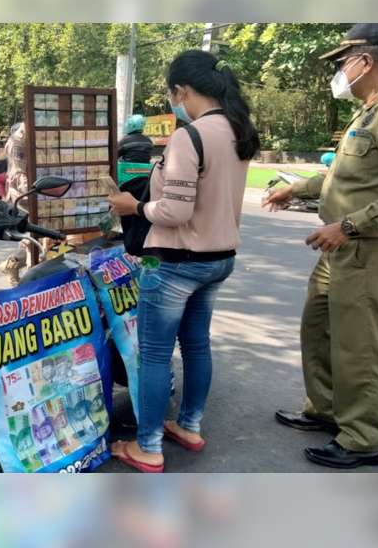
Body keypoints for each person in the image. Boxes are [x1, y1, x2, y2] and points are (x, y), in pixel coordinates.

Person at [262, 24, 378, 469]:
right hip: (346, 247)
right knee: (319, 330)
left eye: (343, 61)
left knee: (361, 347)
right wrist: (298, 189)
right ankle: (328, 411)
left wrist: (350, 226)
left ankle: (364, 439)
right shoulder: (370, 110)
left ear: (366, 60)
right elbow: (350, 177)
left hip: (371, 247)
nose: (340, 71)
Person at [107, 50, 260, 472]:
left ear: (183, 90)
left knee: (154, 355)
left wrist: (131, 206)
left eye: (172, 93)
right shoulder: (239, 131)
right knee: (196, 345)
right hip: (219, 258)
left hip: (174, 262)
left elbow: (174, 212)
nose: (173, 101)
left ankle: (149, 447)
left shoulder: (188, 136)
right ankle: (189, 425)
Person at [0, 122, 30, 286]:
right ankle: (18, 268)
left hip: (29, 193)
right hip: (25, 196)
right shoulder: (18, 142)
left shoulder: (24, 139)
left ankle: (13, 264)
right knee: (33, 237)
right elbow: (19, 173)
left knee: (35, 238)